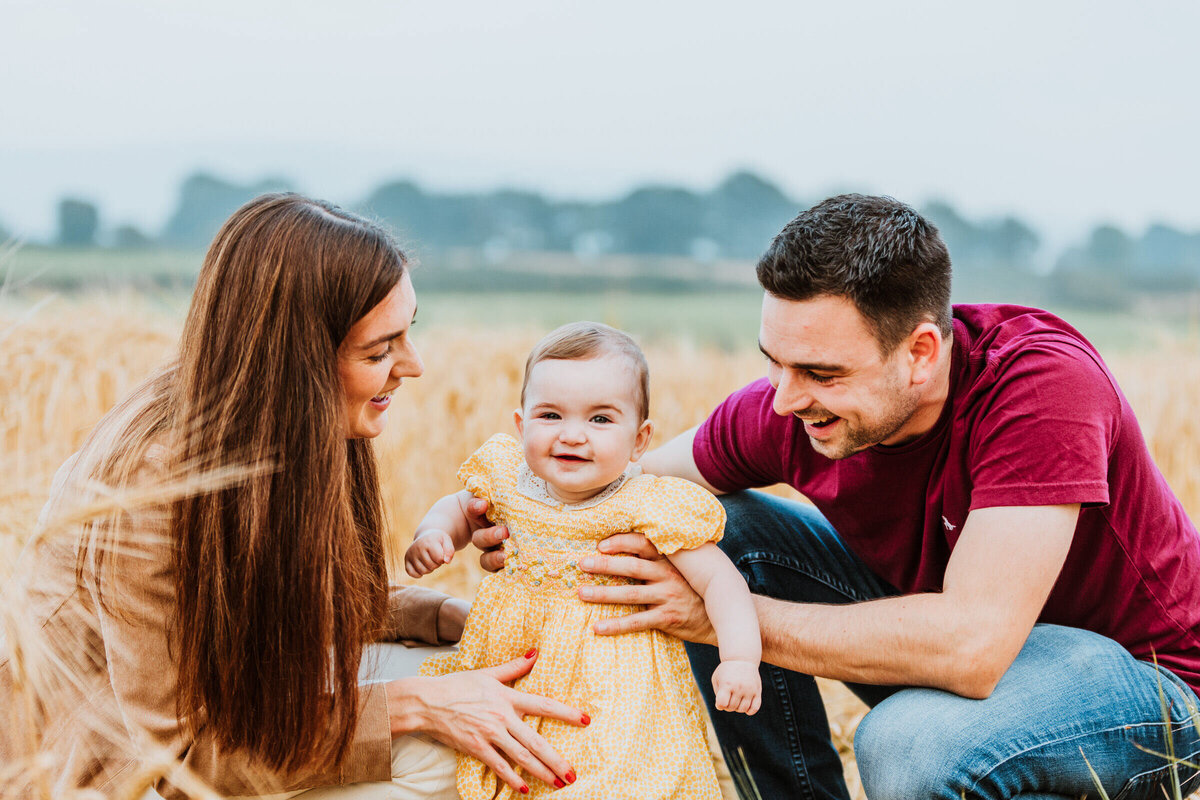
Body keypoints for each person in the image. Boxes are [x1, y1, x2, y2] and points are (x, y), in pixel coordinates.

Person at [468, 195, 1200, 799]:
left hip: (1149, 683)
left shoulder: (1039, 387)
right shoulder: (794, 406)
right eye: (774, 362)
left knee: (906, 747)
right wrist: (527, 516)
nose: (786, 399)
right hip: (970, 656)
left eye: (820, 371)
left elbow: (974, 647)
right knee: (714, 529)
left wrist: (722, 621)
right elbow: (631, 488)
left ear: (920, 353)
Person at [0, 193, 589, 800]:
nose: (412, 365)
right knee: (452, 753)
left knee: (495, 687)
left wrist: (454, 621)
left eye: (408, 333)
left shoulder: (276, 419)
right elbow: (181, 761)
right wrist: (419, 706)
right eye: (379, 350)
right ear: (300, 359)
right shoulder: (151, 492)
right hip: (95, 777)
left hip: (223, 730)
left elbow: (287, 608)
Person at [405, 321, 761, 799]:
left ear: (640, 439)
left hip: (614, 688)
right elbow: (459, 510)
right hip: (519, 665)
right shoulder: (509, 480)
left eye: (600, 420)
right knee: (511, 766)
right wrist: (435, 533)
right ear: (521, 423)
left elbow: (722, 582)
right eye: (550, 415)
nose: (572, 436)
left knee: (608, 778)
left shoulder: (645, 505)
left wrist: (739, 658)